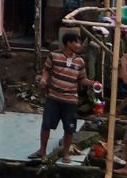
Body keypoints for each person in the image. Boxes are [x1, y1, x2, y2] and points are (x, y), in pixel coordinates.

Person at [32, 30, 96, 163]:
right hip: (54, 98)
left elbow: (82, 79)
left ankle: (66, 153)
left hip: (71, 100)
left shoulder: (80, 61)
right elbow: (47, 70)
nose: (79, 45)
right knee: (46, 125)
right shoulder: (54, 56)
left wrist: (93, 83)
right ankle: (42, 150)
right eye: (76, 42)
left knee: (69, 128)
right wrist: (44, 79)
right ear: (68, 43)